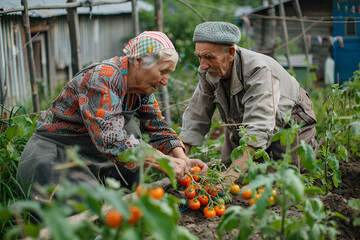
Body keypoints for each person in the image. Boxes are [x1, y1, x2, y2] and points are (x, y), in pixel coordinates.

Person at [17, 31, 208, 199]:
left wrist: (183, 159)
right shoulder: (102, 78)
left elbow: (157, 126)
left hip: (87, 152)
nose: (165, 81)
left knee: (130, 135)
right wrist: (162, 160)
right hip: (56, 154)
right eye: (163, 71)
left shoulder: (140, 90)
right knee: (75, 219)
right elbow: (111, 139)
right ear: (140, 62)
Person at [179, 22, 318, 185]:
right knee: (230, 165)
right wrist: (180, 159)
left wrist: (227, 180)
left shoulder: (257, 70)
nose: (202, 65)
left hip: (290, 115)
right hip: (242, 116)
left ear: (230, 53)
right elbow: (196, 115)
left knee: (290, 175)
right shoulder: (208, 70)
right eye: (199, 57)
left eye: (209, 57)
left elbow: (259, 127)